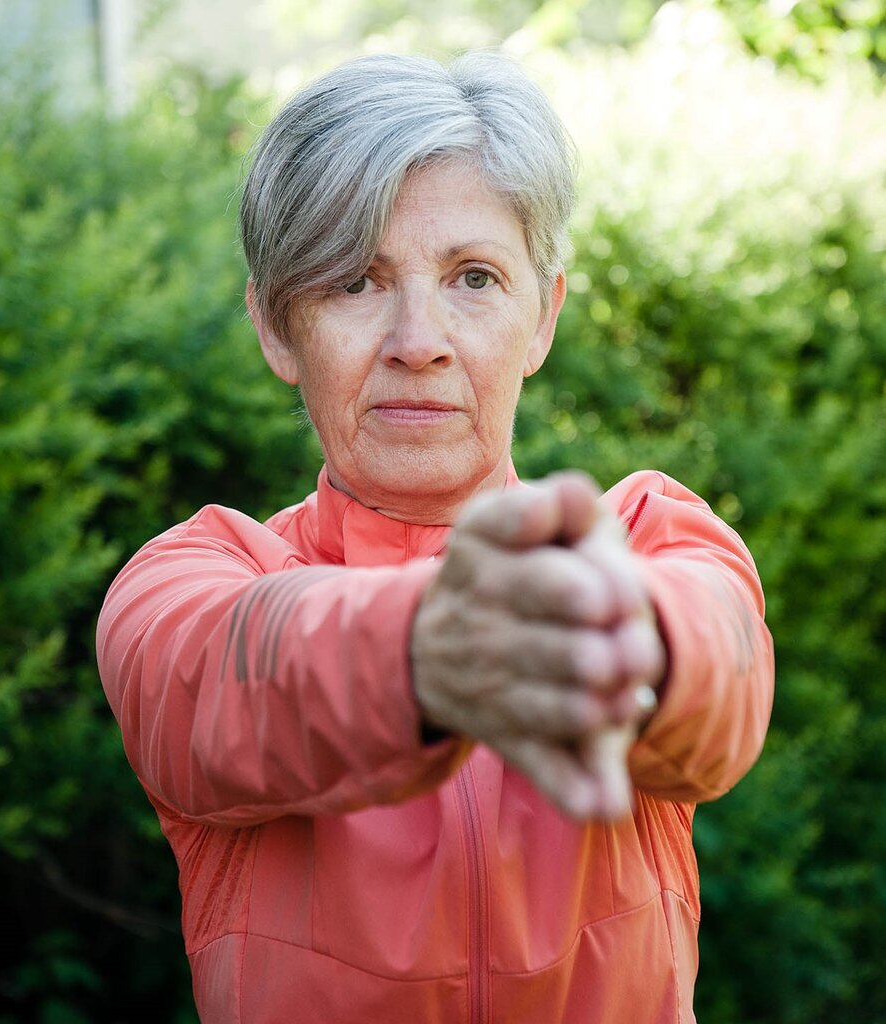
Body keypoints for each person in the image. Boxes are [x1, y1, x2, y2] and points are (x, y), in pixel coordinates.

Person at [96, 50, 773, 1024]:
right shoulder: (193, 579)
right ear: (277, 330)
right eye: (354, 283)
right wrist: (426, 649)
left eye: (472, 276)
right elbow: (199, 687)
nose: (418, 338)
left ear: (541, 317)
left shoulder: (651, 537)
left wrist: (628, 632)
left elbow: (720, 672)